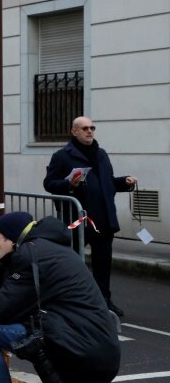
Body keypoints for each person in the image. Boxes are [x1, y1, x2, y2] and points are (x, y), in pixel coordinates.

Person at [0, 211, 120, 383]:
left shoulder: (30, 256)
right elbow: (17, 295)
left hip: (79, 351)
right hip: (93, 352)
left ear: (13, 240)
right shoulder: (44, 248)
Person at [43, 116, 137, 317]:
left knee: (103, 265)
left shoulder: (101, 154)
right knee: (74, 264)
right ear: (74, 131)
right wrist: (69, 184)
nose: (89, 131)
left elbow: (107, 182)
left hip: (103, 219)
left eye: (92, 127)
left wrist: (124, 182)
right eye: (84, 128)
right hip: (77, 219)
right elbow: (49, 183)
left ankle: (104, 301)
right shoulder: (62, 156)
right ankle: (73, 301)